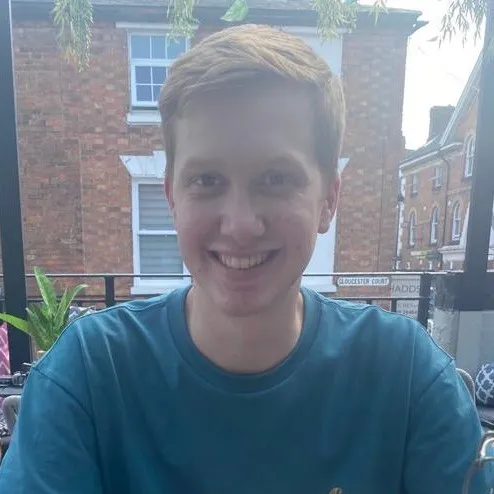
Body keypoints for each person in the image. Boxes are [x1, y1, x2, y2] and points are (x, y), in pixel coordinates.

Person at [0, 24, 490, 493]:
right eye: (207, 180)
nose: (239, 225)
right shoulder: (87, 376)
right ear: (172, 197)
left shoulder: (406, 377)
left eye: (275, 179)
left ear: (328, 199)